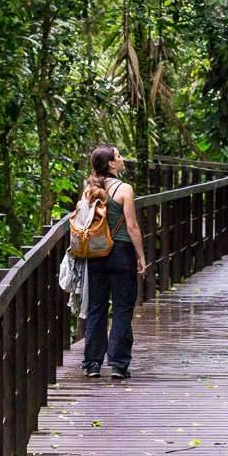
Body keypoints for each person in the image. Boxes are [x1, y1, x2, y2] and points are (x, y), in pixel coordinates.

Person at [80, 144, 147, 379]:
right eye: (118, 156)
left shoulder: (89, 189)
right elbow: (132, 226)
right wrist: (141, 256)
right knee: (122, 307)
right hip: (121, 253)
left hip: (96, 253)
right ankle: (118, 364)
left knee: (96, 307)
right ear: (111, 164)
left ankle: (92, 364)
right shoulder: (124, 189)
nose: (122, 158)